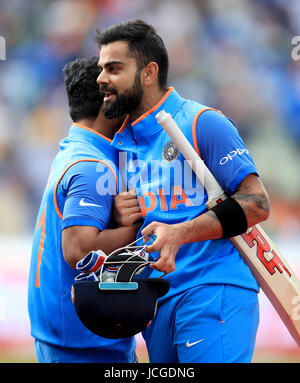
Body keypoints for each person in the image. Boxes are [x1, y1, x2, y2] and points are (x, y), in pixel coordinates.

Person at [95, 20, 271, 363]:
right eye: (102, 68)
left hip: (212, 291)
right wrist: (120, 216)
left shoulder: (201, 121)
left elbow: (256, 202)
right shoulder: (124, 143)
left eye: (114, 68)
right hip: (157, 301)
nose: (101, 78)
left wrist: (181, 233)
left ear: (149, 72)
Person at [27, 57, 142, 363]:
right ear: (108, 100)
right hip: (84, 345)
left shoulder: (75, 149)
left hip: (66, 338)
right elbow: (79, 248)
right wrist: (136, 230)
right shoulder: (93, 165)